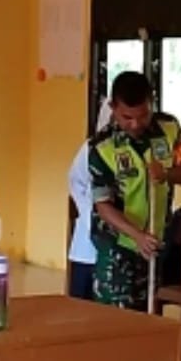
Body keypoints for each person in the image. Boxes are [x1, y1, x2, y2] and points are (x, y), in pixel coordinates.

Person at [88, 70, 181, 361]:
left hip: (156, 236)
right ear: (113, 108)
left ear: (152, 104)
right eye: (127, 117)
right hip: (118, 240)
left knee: (141, 312)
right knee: (115, 313)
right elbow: (103, 205)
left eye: (142, 115)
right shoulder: (102, 147)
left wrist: (166, 174)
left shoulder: (170, 129)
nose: (135, 124)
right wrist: (135, 235)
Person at [67, 100, 112, 301]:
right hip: (89, 244)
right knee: (82, 304)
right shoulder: (93, 149)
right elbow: (76, 181)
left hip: (126, 247)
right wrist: (91, 211)